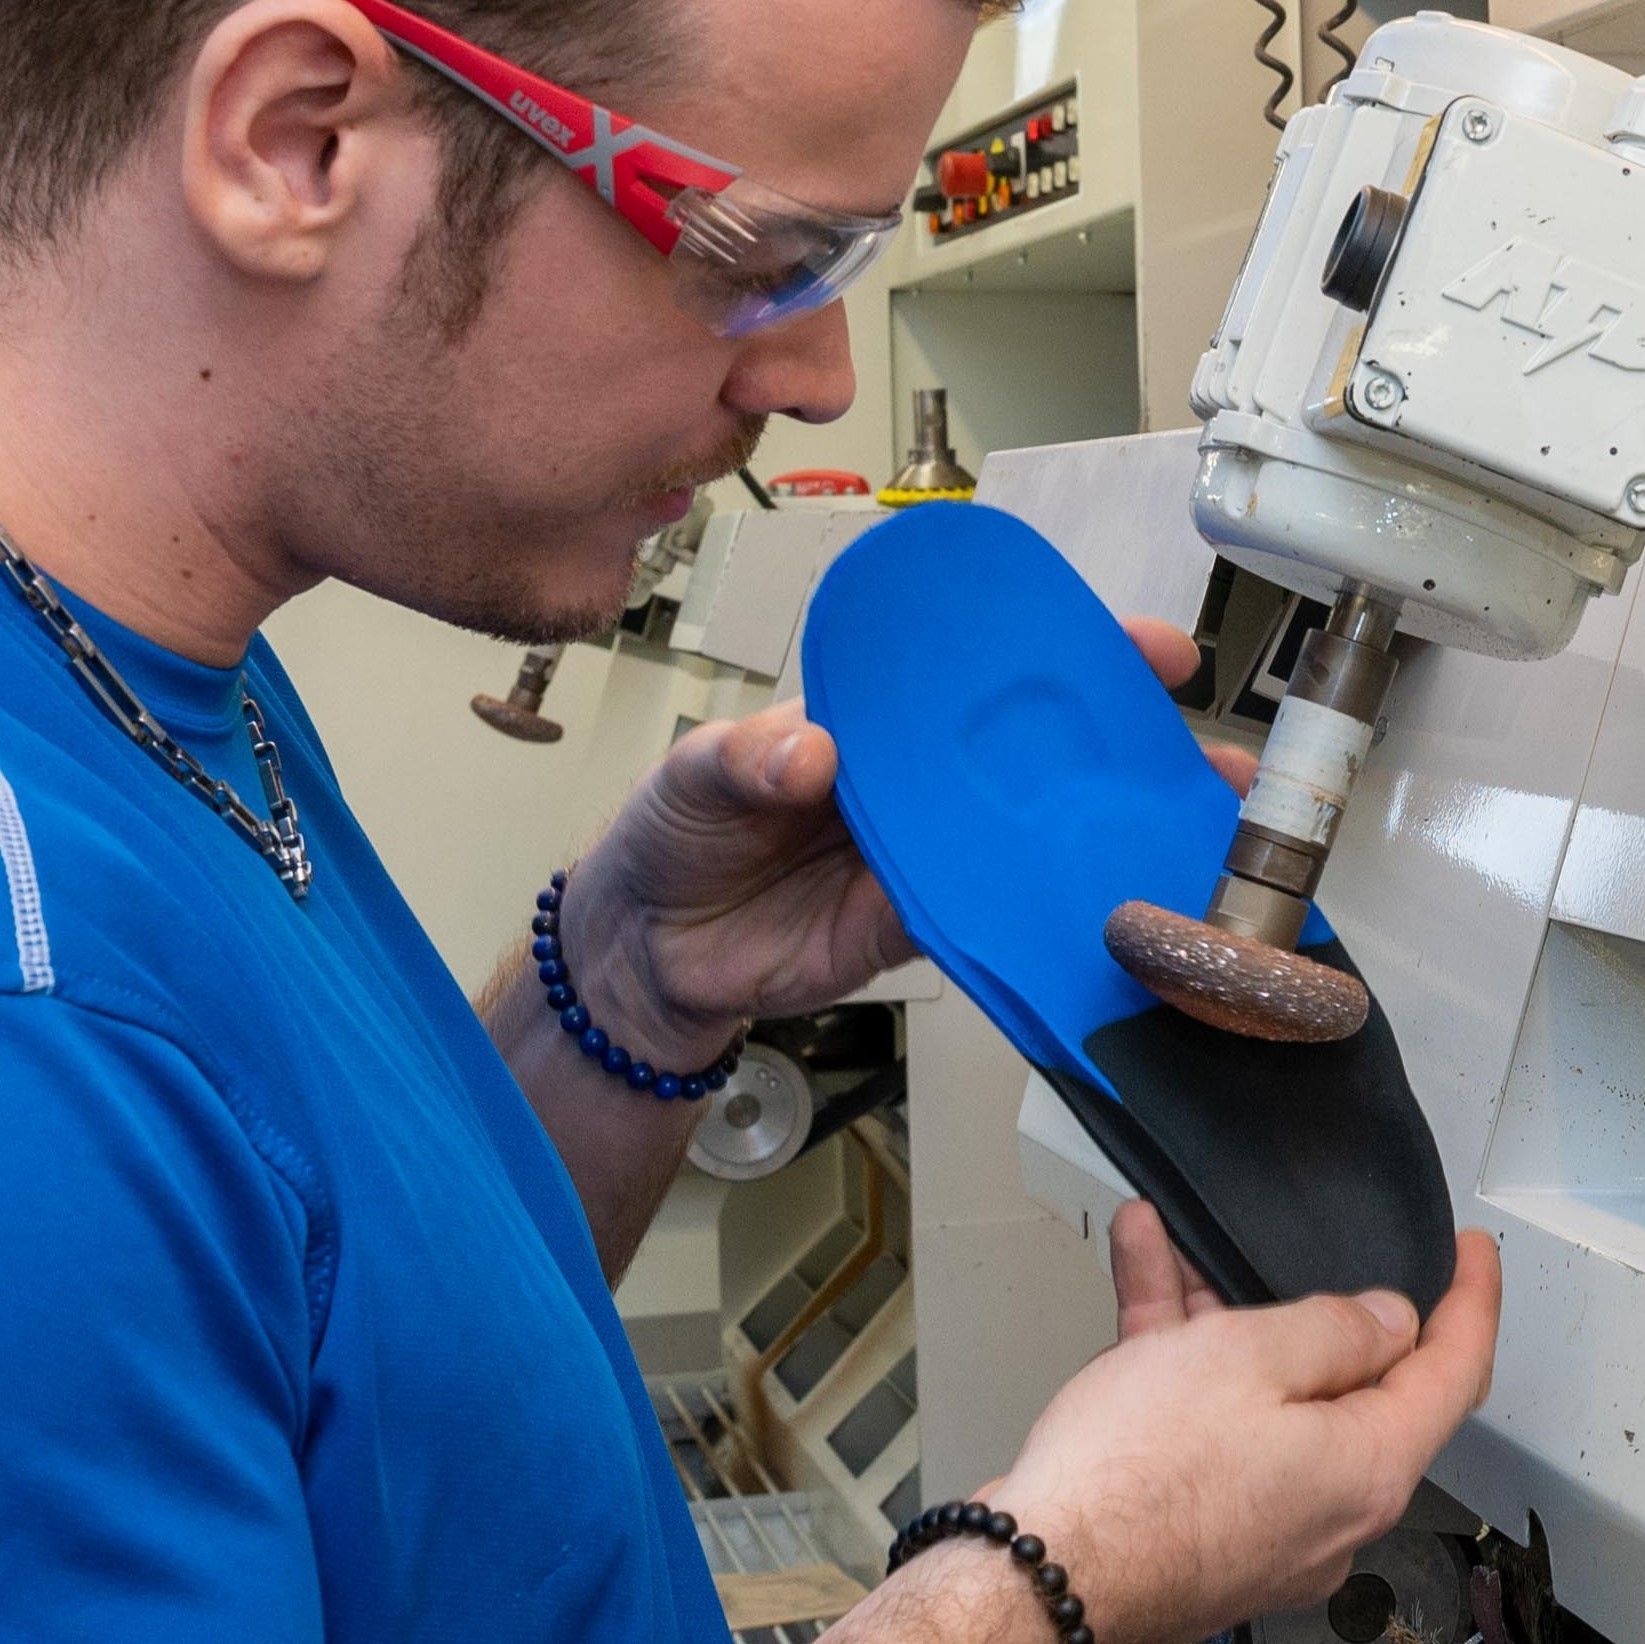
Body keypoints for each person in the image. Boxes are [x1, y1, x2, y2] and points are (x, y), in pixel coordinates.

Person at [0, 0, 1501, 1640]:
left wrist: (640, 986)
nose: (812, 377)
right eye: (761, 255)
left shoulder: (153, 683)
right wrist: (1045, 1585)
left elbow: (362, 1391)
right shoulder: (38, 1010)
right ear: (295, 142)